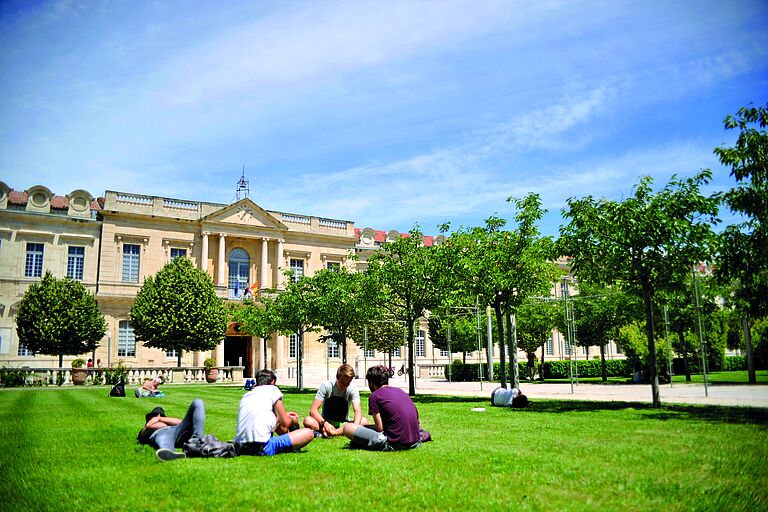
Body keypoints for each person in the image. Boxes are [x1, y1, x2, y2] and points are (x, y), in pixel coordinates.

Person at [343, 365, 427, 451]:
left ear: (371, 383)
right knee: (363, 428)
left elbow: (380, 428)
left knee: (347, 427)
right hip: (415, 441)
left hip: (394, 443)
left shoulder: (374, 396)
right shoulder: (400, 391)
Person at [234, 369, 315, 456]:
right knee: (308, 433)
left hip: (240, 447)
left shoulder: (246, 395)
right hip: (262, 447)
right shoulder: (273, 390)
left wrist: (282, 416)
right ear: (273, 381)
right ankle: (295, 445)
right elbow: (285, 423)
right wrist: (292, 419)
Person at [303, 364, 367, 437]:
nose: (345, 385)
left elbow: (357, 411)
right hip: (325, 421)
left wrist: (354, 427)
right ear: (337, 377)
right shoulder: (326, 386)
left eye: (348, 383)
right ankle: (340, 432)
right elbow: (313, 410)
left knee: (364, 421)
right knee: (308, 420)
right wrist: (326, 424)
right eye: (342, 382)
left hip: (344, 423)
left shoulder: (353, 388)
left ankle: (331, 433)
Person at [137, 399, 206, 461]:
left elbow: (180, 422)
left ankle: (197, 443)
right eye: (155, 415)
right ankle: (171, 453)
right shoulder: (146, 430)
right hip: (162, 434)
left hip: (177, 431)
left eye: (161, 415)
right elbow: (149, 426)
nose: (158, 416)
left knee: (198, 402)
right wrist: (155, 421)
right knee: (164, 442)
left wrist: (160, 419)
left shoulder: (163, 421)